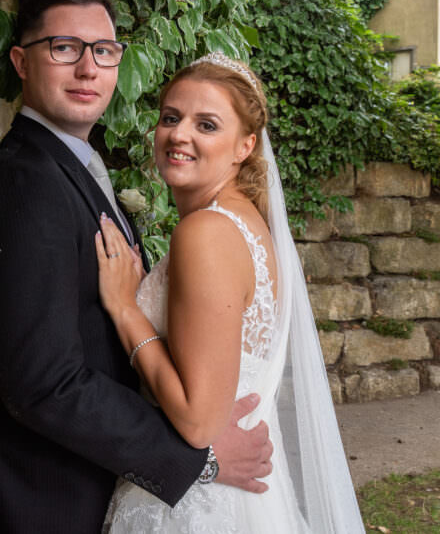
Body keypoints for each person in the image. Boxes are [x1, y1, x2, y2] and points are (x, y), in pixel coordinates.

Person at [0, 0, 274, 534]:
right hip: (51, 501)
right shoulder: (24, 181)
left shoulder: (77, 170)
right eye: (64, 47)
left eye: (104, 51)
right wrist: (196, 459)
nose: (88, 68)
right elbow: (42, 382)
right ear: (21, 61)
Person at [96, 52, 363, 532]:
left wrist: (123, 309)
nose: (180, 135)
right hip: (240, 496)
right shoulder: (248, 225)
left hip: (196, 500)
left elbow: (199, 421)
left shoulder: (207, 232)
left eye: (207, 124)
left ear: (245, 146)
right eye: (171, 118)